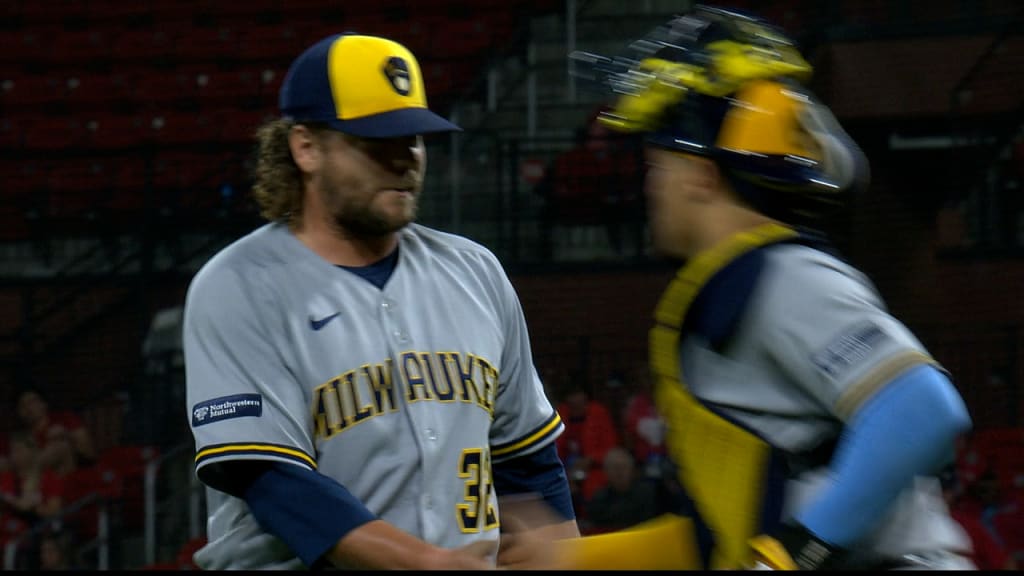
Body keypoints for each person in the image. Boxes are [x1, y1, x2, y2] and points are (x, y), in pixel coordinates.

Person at [550, 4, 976, 570]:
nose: (651, 187)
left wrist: (802, 552)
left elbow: (924, 409)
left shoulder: (782, 276)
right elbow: (718, 541)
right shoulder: (735, 291)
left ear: (703, 175)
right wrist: (569, 560)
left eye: (659, 165)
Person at [182, 31, 579, 570]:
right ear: (305, 148)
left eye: (414, 138)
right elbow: (273, 481)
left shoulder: (474, 271)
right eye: (376, 142)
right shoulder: (239, 286)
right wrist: (423, 562)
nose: (405, 159)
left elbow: (524, 457)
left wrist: (562, 550)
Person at [15, 388, 96, 472]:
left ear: (44, 404)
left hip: (71, 472)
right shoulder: (21, 437)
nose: (28, 408)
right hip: (40, 478)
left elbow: (89, 453)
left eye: (32, 402)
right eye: (22, 405)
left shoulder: (65, 419)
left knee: (60, 445)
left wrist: (67, 435)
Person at [582, 445, 660, 534]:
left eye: (623, 467)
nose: (619, 472)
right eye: (614, 467)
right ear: (606, 472)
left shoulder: (647, 493)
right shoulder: (598, 498)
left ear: (632, 470)